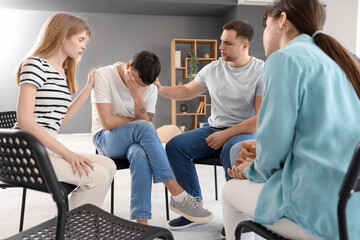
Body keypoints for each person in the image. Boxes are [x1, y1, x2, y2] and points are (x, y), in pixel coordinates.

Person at [222, 0, 360, 239]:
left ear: (282, 21)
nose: (264, 34)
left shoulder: (284, 59)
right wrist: (260, 151)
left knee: (229, 191)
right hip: (352, 209)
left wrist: (251, 170)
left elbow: (273, 148)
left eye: (265, 25)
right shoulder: (345, 59)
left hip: (319, 211)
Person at [155, 19, 264, 229]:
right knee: (175, 146)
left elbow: (261, 118)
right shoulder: (213, 68)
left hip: (245, 131)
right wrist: (161, 89)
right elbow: (187, 90)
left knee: (231, 150)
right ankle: (194, 208)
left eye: (228, 43)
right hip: (214, 128)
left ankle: (237, 218)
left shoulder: (261, 71)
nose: (221, 47)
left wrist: (227, 134)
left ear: (245, 45)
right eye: (221, 41)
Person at [91, 51, 213, 225]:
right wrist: (138, 121)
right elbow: (108, 122)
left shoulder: (150, 87)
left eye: (144, 86)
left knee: (139, 153)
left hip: (136, 141)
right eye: (136, 82)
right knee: (146, 127)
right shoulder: (103, 75)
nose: (140, 87)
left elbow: (144, 123)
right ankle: (177, 193)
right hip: (106, 139)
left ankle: (142, 223)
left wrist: (138, 96)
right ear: (128, 66)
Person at [15, 12, 116, 210]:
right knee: (97, 176)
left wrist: (87, 88)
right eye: (80, 40)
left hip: (45, 150)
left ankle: (73, 225)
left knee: (109, 165)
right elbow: (25, 121)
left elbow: (64, 118)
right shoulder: (34, 64)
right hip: (25, 152)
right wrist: (68, 154)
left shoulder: (61, 72)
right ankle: (72, 231)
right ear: (62, 36)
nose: (84, 46)